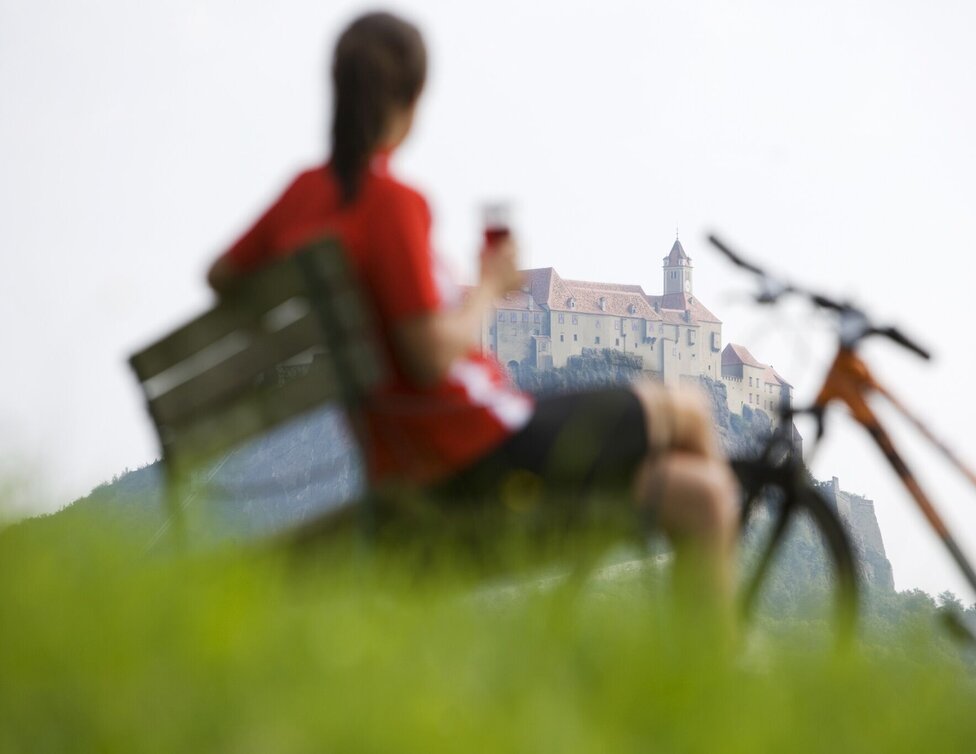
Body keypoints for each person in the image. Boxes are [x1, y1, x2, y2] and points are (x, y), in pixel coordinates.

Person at [208, 11, 739, 620]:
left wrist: (310, 301)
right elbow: (430, 353)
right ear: (410, 101)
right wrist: (489, 287)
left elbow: (222, 275)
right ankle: (724, 630)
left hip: (414, 451)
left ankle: (713, 647)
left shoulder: (304, 195)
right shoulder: (391, 204)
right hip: (479, 448)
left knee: (700, 496)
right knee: (689, 408)